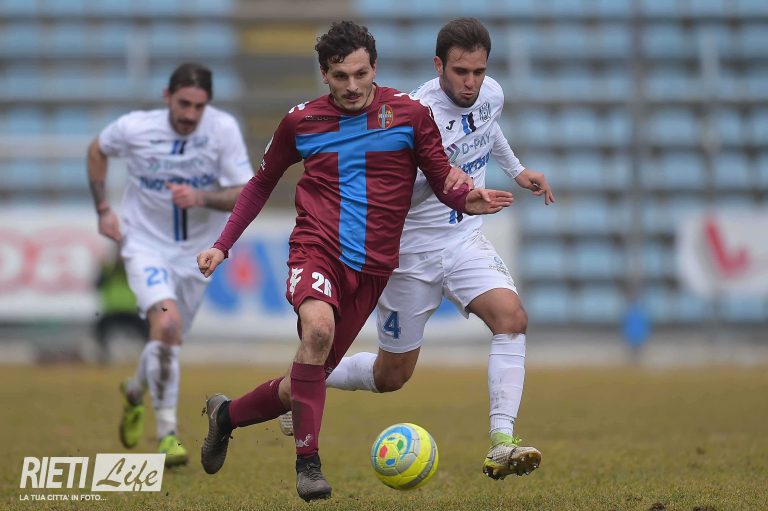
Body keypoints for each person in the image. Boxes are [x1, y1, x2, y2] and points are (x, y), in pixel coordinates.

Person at [196, 21, 513, 502]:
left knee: (305, 381)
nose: (351, 86)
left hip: (373, 268)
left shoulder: (410, 115)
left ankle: (226, 416)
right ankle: (308, 464)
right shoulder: (301, 122)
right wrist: (223, 244)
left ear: (374, 69)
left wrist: (467, 199)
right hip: (317, 248)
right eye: (340, 76)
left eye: (360, 74)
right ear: (324, 74)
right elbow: (261, 184)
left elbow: (441, 178)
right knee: (318, 331)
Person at [279, 17, 555, 481]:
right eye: (460, 72)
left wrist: (517, 169)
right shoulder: (413, 113)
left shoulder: (491, 94)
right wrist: (449, 185)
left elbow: (487, 129)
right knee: (392, 376)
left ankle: (502, 442)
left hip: (462, 239)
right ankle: (299, 384)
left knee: (512, 318)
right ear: (438, 66)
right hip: (409, 252)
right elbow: (389, 195)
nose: (471, 83)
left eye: (479, 71)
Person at [86, 62, 254, 467]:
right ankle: (167, 434)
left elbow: (245, 192)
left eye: (199, 106)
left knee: (167, 340)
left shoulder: (222, 130)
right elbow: (97, 149)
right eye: (183, 103)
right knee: (167, 327)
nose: (190, 114)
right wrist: (103, 208)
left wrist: (201, 198)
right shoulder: (135, 128)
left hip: (199, 254)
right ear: (167, 96)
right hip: (145, 246)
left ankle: (134, 390)